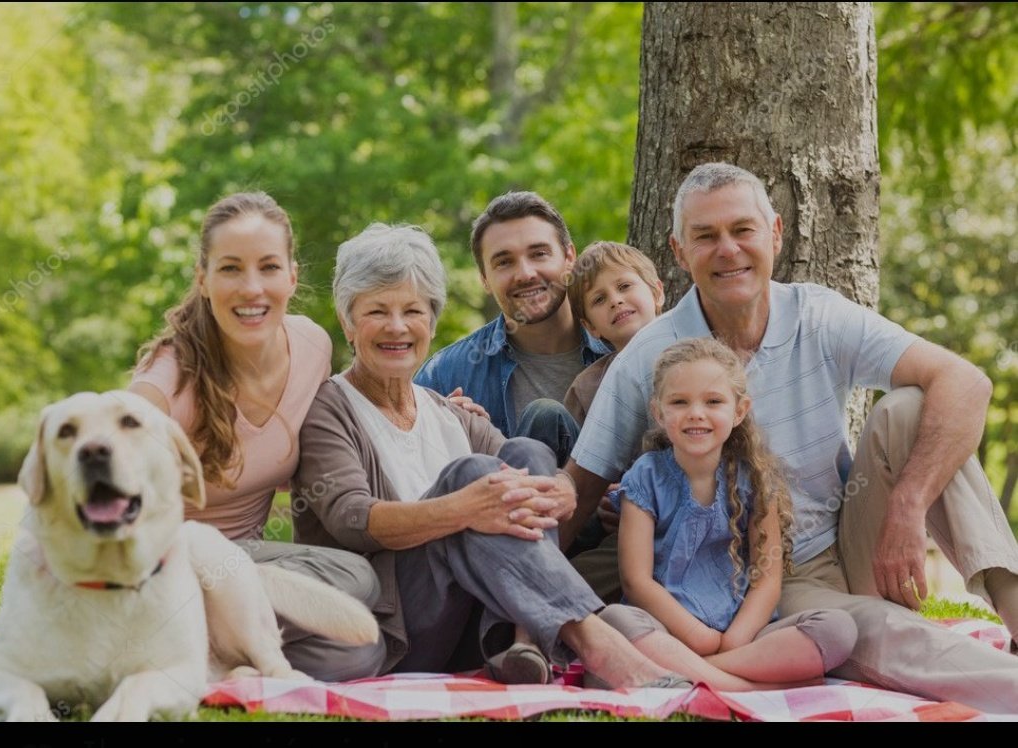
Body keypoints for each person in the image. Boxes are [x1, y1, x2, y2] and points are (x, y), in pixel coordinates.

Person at [564, 163, 1018, 712]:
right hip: (765, 580)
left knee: (919, 407)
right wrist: (530, 593)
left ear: (775, 233)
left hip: (852, 533)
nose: (728, 249)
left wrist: (907, 506)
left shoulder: (818, 314)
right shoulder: (649, 355)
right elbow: (580, 486)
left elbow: (967, 382)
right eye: (705, 236)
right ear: (679, 253)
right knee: (885, 634)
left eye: (743, 230)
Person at [292, 222, 778, 691]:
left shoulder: (449, 414)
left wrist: (583, 496)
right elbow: (351, 519)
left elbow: (534, 474)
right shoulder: (330, 407)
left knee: (526, 451)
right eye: (378, 311)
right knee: (473, 475)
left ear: (432, 320)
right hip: (389, 629)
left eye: (414, 311)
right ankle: (593, 639)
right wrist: (463, 507)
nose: (397, 327)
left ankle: (528, 638)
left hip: (472, 632)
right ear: (347, 322)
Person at [129, 191, 384, 682]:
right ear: (202, 279)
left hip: (243, 568)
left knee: (357, 656)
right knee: (356, 579)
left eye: (268, 267)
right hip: (168, 570)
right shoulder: (169, 378)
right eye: (230, 269)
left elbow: (337, 428)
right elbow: (107, 446)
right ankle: (179, 637)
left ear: (291, 275)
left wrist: (440, 407)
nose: (252, 288)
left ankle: (204, 656)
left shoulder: (311, 345)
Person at [616, 338, 856, 684]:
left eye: (713, 401)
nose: (696, 413)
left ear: (739, 410)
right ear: (658, 412)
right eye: (679, 402)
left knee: (836, 630)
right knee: (617, 622)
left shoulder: (756, 478)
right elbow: (635, 581)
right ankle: (745, 687)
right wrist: (699, 638)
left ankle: (700, 677)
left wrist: (732, 641)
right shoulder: (646, 476)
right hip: (667, 630)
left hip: (741, 633)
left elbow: (767, 579)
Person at [414, 191, 608, 465]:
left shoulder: (625, 348)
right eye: (504, 262)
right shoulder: (445, 376)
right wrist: (444, 437)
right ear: (484, 278)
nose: (526, 274)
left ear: (569, 258)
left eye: (539, 254)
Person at [561, 241, 664, 585]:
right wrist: (607, 497)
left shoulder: (697, 354)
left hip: (695, 513)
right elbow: (582, 470)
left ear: (657, 292)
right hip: (622, 533)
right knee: (575, 580)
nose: (616, 300)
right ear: (592, 327)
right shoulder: (587, 387)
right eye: (599, 300)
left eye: (623, 287)